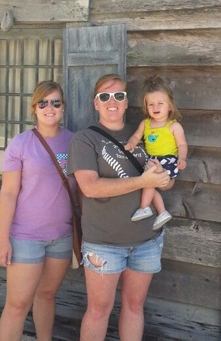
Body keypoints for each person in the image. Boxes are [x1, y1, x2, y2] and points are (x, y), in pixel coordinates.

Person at [67, 74, 173, 341]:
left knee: (135, 307)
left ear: (127, 103)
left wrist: (161, 177)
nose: (112, 102)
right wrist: (142, 181)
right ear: (96, 103)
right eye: (105, 96)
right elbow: (89, 187)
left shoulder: (145, 133)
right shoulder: (85, 139)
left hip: (146, 240)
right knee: (98, 311)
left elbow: (165, 184)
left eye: (118, 96)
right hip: (103, 242)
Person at [0, 80, 76, 341]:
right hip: (25, 238)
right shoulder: (20, 144)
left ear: (63, 107)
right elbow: (8, 193)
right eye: (43, 102)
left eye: (55, 102)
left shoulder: (74, 142)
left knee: (47, 295)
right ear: (34, 108)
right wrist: (3, 239)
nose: (49, 108)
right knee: (18, 304)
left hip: (62, 237)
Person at [125, 76, 188, 230]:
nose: (155, 107)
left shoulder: (173, 126)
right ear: (146, 107)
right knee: (149, 183)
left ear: (170, 106)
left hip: (168, 160)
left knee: (148, 180)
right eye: (151, 104)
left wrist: (182, 158)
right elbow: (136, 136)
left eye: (160, 103)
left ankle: (144, 207)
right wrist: (131, 143)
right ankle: (161, 212)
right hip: (153, 160)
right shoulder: (145, 124)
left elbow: (182, 144)